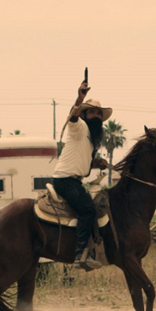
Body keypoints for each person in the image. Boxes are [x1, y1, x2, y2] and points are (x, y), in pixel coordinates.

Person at [52, 80, 112, 269]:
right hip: (65, 180)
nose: (96, 116)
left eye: (99, 114)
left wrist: (96, 163)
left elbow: (82, 161)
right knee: (87, 210)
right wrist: (80, 98)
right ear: (84, 114)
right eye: (92, 112)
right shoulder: (79, 127)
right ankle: (80, 255)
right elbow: (72, 116)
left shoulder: (92, 140)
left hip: (74, 181)